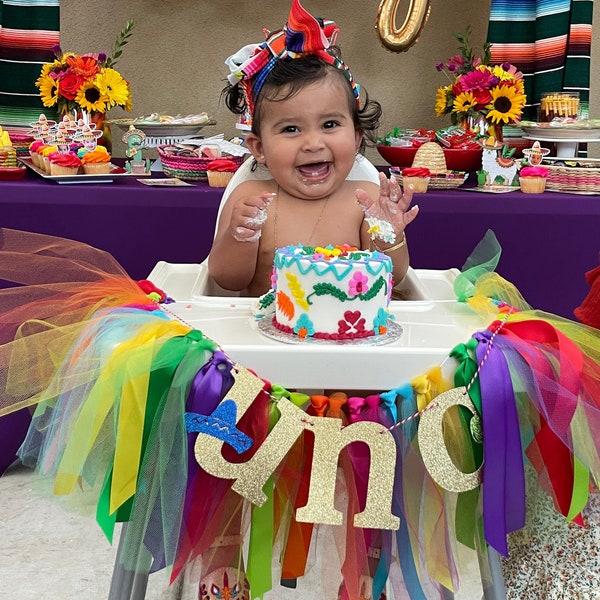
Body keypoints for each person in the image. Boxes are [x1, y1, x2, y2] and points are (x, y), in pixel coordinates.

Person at [207, 0, 418, 298]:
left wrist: (389, 236)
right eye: (291, 129)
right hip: (261, 339)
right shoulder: (249, 199)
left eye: (330, 124)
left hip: (348, 335)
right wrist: (241, 236)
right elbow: (227, 280)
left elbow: (391, 278)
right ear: (259, 148)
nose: (314, 143)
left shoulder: (366, 201)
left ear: (357, 137)